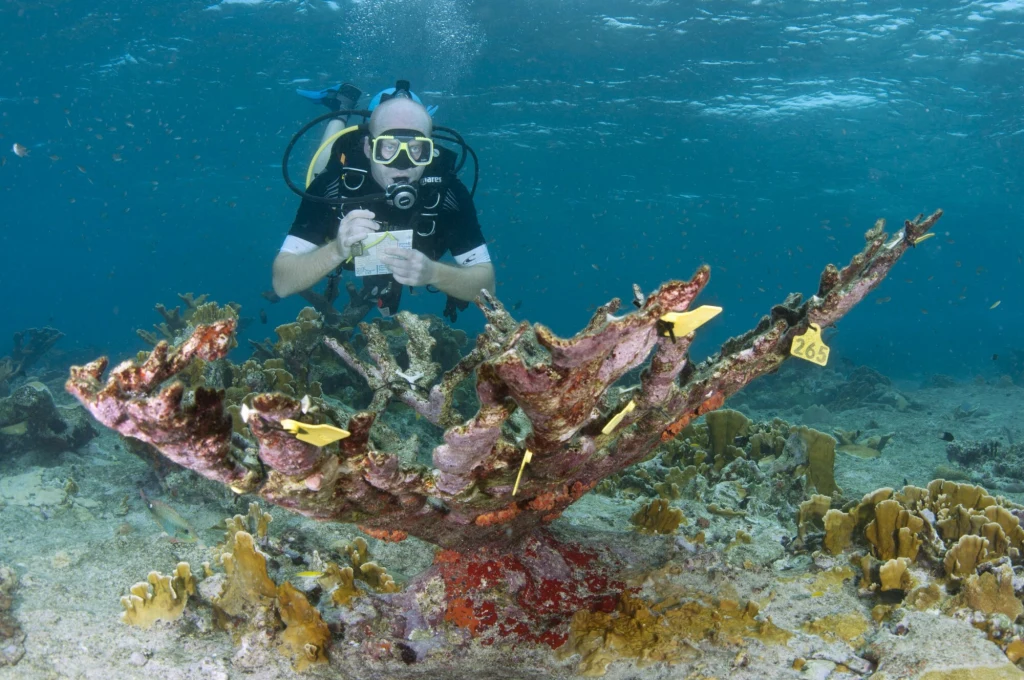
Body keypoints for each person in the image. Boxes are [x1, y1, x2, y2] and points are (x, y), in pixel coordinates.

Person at [272, 81, 495, 322]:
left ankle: (404, 117)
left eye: (416, 148)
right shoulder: (334, 185)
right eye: (388, 147)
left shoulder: (446, 192)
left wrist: (434, 273)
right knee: (319, 169)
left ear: (431, 150)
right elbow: (282, 283)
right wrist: (336, 250)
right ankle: (341, 107)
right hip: (347, 173)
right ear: (368, 148)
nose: (403, 163)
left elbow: (487, 286)